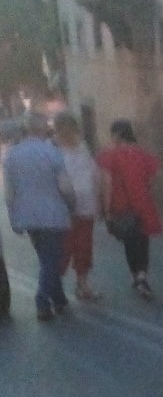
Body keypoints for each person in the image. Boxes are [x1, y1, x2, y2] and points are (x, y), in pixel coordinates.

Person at [3, 109, 73, 321]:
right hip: (52, 214)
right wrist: (73, 204)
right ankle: (42, 301)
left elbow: (9, 194)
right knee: (51, 260)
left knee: (46, 257)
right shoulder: (52, 153)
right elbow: (65, 187)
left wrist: (14, 218)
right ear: (44, 129)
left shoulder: (12, 156)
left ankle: (59, 298)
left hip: (28, 217)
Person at [97, 120, 162, 301]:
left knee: (129, 241)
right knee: (142, 240)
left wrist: (106, 208)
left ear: (117, 134)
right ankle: (142, 276)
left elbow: (107, 183)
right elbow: (152, 179)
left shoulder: (109, 156)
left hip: (121, 204)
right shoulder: (143, 154)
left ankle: (136, 276)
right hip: (142, 202)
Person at [54, 111, 106, 303]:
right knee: (64, 248)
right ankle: (55, 286)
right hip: (63, 206)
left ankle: (82, 284)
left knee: (84, 246)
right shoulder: (52, 150)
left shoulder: (82, 148)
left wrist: (99, 200)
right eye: (65, 128)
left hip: (85, 204)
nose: (70, 132)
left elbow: (94, 174)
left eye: (72, 128)